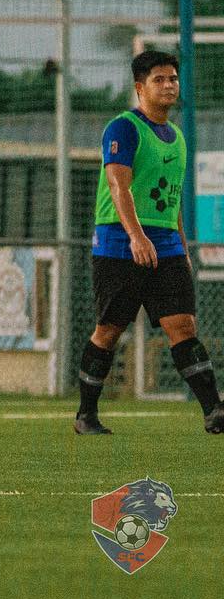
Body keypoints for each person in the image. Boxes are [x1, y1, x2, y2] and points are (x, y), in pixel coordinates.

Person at [77, 49, 224, 435]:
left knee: (183, 324)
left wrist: (180, 242)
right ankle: (86, 415)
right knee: (109, 330)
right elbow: (118, 185)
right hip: (119, 241)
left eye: (173, 79)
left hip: (166, 243)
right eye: (159, 80)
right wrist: (136, 236)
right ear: (140, 88)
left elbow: (169, 196)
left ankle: (214, 411)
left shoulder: (176, 137)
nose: (169, 85)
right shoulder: (123, 128)